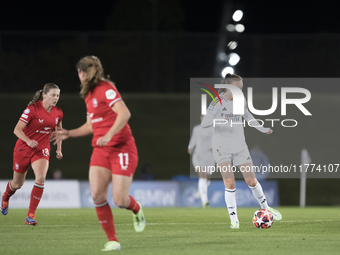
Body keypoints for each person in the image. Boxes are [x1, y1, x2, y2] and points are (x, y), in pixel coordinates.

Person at [50, 56, 145, 251]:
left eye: (79, 73)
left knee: (119, 200)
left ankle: (136, 209)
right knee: (97, 196)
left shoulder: (106, 88)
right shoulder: (89, 94)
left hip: (122, 148)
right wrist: (69, 133)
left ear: (82, 73)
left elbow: (124, 113)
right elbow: (90, 126)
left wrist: (110, 135)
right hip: (101, 150)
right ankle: (113, 240)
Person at [201, 73, 282, 229]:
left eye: (241, 88)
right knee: (230, 183)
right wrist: (219, 120)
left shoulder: (240, 100)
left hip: (239, 146)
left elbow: (247, 116)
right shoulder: (216, 102)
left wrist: (262, 128)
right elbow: (205, 122)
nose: (240, 91)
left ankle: (266, 208)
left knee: (251, 180)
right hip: (221, 148)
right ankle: (234, 221)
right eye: (237, 88)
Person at [1, 83, 63, 226]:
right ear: (44, 95)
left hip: (41, 150)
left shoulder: (58, 112)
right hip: (23, 148)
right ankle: (5, 197)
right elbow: (17, 130)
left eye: (58, 95)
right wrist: (28, 141)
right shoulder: (32, 110)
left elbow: (59, 131)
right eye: (53, 95)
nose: (56, 98)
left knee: (40, 178)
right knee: (17, 184)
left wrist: (59, 148)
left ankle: (30, 215)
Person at [188, 115, 214, 208]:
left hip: (210, 157)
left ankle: (200, 192)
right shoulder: (197, 129)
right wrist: (190, 147)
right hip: (198, 156)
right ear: (201, 118)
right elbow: (193, 139)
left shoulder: (214, 129)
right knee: (202, 175)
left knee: (207, 179)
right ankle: (205, 200)